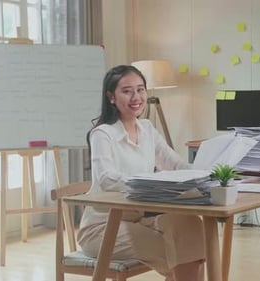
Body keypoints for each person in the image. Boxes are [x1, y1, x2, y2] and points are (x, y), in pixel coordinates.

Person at [76, 65, 205, 281]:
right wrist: (150, 183)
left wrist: (209, 173)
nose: (136, 97)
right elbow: (106, 179)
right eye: (127, 91)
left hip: (139, 220)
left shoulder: (147, 128)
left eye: (141, 89)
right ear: (111, 97)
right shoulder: (102, 134)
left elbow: (175, 165)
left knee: (189, 225)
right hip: (103, 228)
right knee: (182, 252)